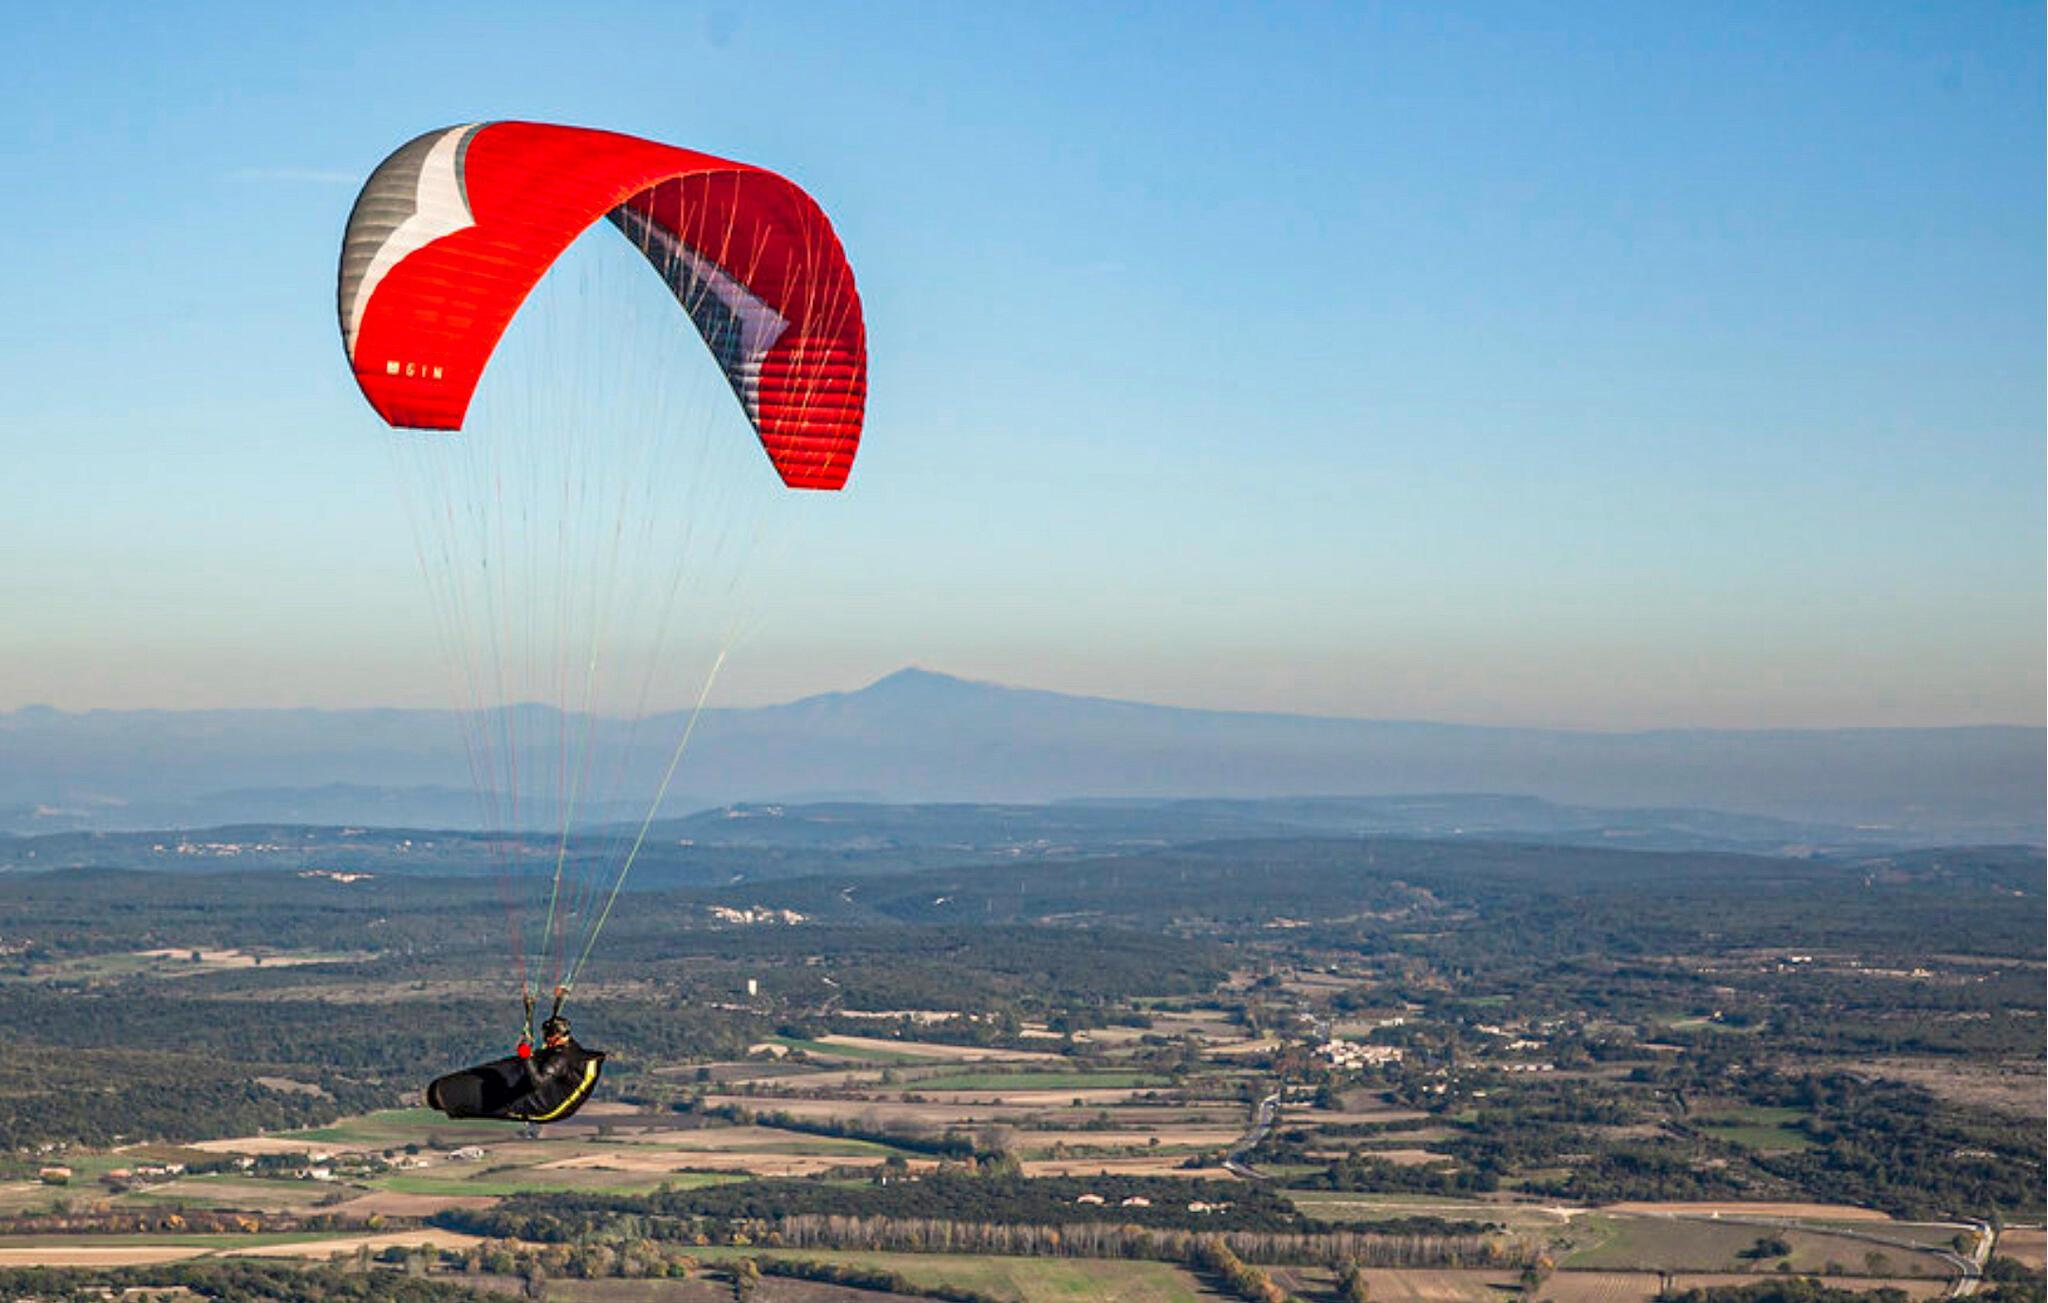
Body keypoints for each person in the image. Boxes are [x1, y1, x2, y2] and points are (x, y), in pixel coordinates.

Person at [425, 1012, 606, 1125]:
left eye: (546, 1036)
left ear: (554, 1036)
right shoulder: (567, 1047)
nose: (544, 1039)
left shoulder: (560, 1060)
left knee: (496, 1098)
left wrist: (526, 1057)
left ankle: (449, 1097)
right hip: (547, 1094)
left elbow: (538, 1082)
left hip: (543, 1103)